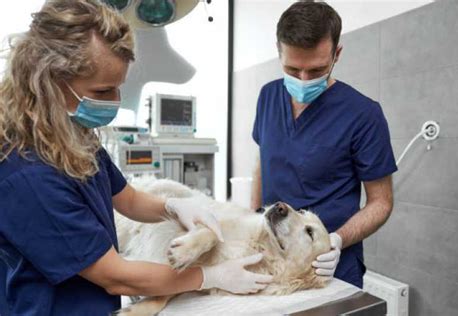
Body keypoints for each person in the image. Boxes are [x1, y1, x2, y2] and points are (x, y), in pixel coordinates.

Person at [0, 1, 272, 315]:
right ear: (49, 81)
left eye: (119, 88)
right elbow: (116, 277)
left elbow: (127, 199)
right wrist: (208, 276)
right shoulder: (28, 172)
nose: (116, 102)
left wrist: (173, 206)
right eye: (103, 91)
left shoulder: (72, 135)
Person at [250, 1, 397, 288]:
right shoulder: (268, 96)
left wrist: (336, 240)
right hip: (271, 258)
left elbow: (381, 203)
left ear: (337, 54)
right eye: (292, 70)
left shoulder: (364, 114)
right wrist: (252, 220)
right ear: (278, 52)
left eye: (316, 71)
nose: (303, 81)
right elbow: (262, 163)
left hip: (328, 268)